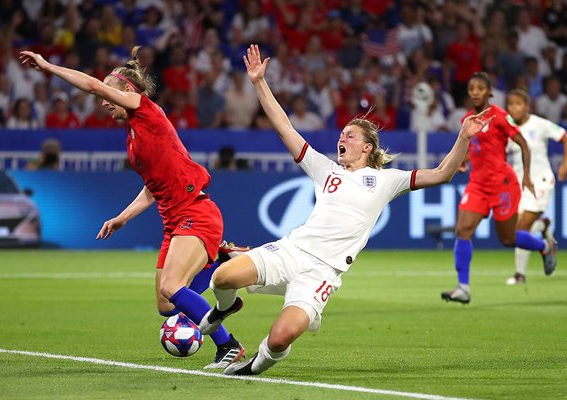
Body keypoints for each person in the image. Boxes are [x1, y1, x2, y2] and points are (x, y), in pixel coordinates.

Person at [198, 44, 492, 376]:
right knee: (222, 277)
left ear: (367, 147)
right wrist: (259, 83)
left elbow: (442, 174)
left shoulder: (386, 180)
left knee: (281, 338)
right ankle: (226, 308)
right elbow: (285, 128)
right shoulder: (325, 170)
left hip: (322, 272)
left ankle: (254, 366)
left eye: (349, 135)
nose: (342, 138)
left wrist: (464, 137)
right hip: (292, 250)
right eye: (341, 134)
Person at [19, 46, 245, 369]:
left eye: (108, 92)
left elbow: (94, 85)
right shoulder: (133, 137)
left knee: (172, 285)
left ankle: (229, 346)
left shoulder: (148, 112)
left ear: (128, 90)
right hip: (174, 221)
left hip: (195, 213)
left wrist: (47, 67)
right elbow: (152, 189)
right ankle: (219, 261)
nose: (102, 101)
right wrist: (122, 218)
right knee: (166, 304)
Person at [441, 72, 557, 304]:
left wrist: (526, 176)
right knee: (463, 229)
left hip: (502, 183)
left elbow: (523, 143)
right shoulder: (467, 119)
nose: (475, 92)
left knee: (508, 238)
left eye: (480, 88)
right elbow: (468, 145)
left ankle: (544, 246)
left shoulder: (500, 116)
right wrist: (463, 160)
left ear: (489, 92)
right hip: (477, 184)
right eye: (471, 88)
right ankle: (463, 287)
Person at [505, 89, 567, 285]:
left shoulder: (539, 124)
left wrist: (565, 163)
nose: (514, 108)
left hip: (540, 181)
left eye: (518, 104)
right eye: (511, 104)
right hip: (519, 185)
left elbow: (564, 136)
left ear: (527, 106)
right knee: (515, 231)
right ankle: (543, 226)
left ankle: (519, 274)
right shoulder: (507, 128)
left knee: (521, 228)